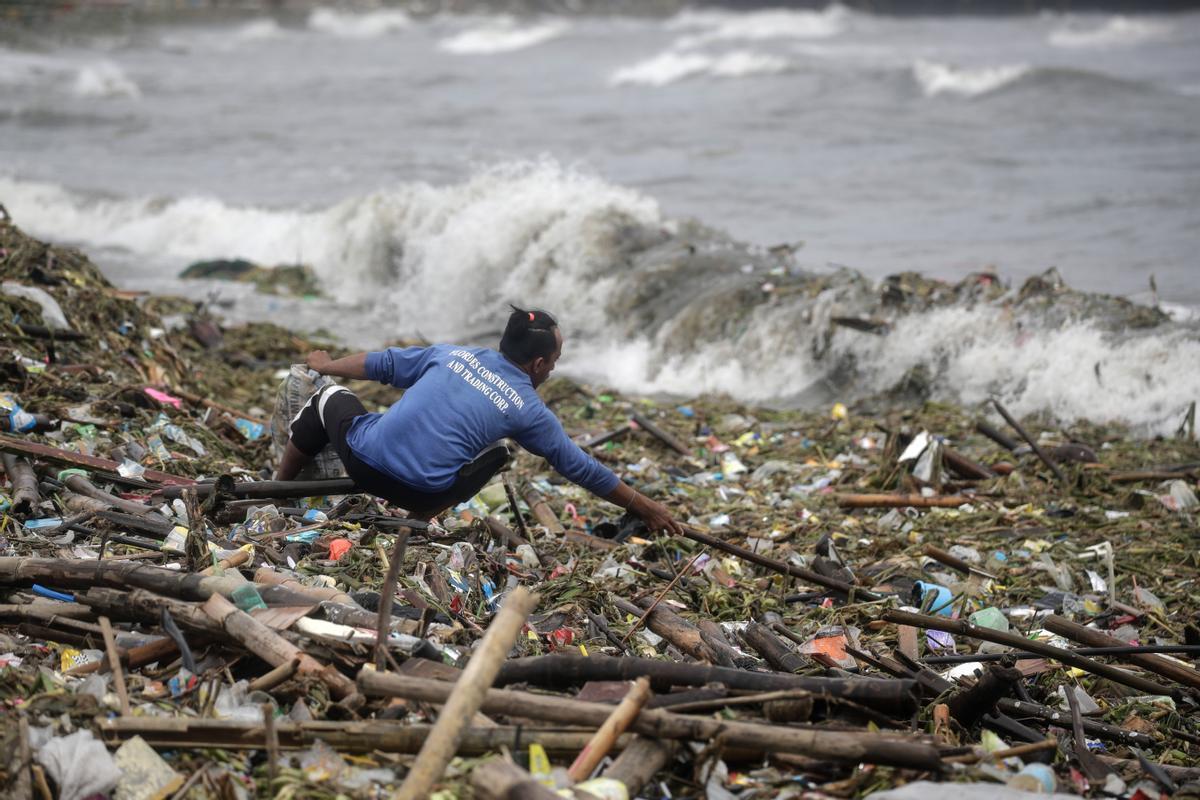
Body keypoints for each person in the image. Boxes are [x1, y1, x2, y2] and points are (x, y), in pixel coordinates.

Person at [278, 305, 684, 534]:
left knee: (329, 394)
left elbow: (381, 364)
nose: (554, 371)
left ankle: (278, 491)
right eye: (554, 362)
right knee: (497, 453)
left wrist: (326, 364)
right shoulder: (528, 409)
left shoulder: (452, 354)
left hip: (364, 463)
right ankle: (415, 525)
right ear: (539, 363)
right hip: (423, 496)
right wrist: (645, 507)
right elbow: (578, 466)